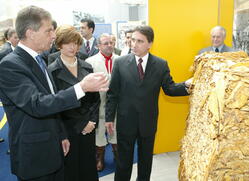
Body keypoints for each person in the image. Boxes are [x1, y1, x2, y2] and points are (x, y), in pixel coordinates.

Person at [0, 6, 108, 181]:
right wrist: (81, 87)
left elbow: (52, 101)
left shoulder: (38, 60)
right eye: (49, 30)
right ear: (30, 32)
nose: (53, 35)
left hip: (53, 148)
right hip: (36, 156)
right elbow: (38, 104)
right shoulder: (11, 65)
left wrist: (61, 135)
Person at [105, 25, 190, 181]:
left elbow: (170, 89)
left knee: (145, 162)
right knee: (124, 162)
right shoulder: (120, 63)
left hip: (148, 122)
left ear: (150, 44)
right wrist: (109, 118)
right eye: (132, 40)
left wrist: (188, 85)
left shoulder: (160, 64)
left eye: (140, 41)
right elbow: (113, 93)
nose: (134, 44)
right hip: (125, 121)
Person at [48, 25, 99, 181]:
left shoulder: (87, 67)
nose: (72, 47)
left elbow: (95, 99)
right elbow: (55, 102)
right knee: (70, 170)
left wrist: (92, 121)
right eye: (67, 43)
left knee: (88, 167)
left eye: (75, 43)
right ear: (59, 44)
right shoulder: (52, 71)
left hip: (88, 128)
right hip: (67, 129)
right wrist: (82, 123)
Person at [86, 33, 118, 172]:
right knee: (99, 130)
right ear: (98, 45)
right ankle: (100, 157)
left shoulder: (121, 60)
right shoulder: (90, 62)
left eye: (111, 42)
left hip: (116, 102)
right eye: (106, 43)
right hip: (98, 101)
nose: (109, 45)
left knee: (116, 128)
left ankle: (118, 154)